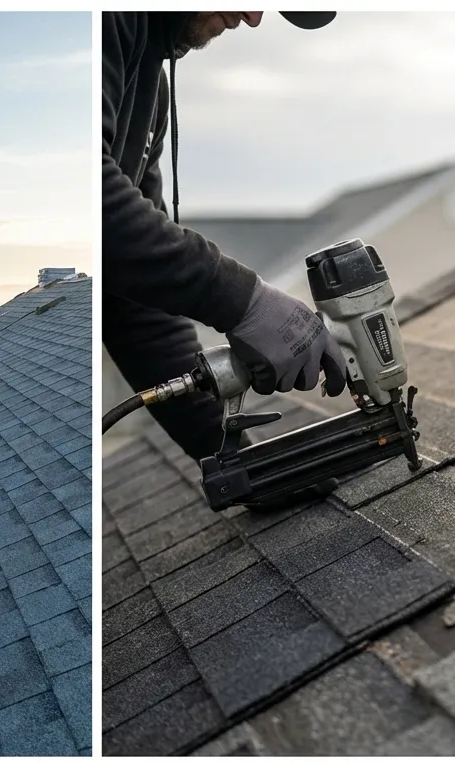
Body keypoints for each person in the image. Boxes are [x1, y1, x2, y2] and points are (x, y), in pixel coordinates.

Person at [103, 11, 349, 460]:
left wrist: (234, 460)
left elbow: (130, 298)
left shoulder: (150, 90)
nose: (253, 17)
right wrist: (243, 300)